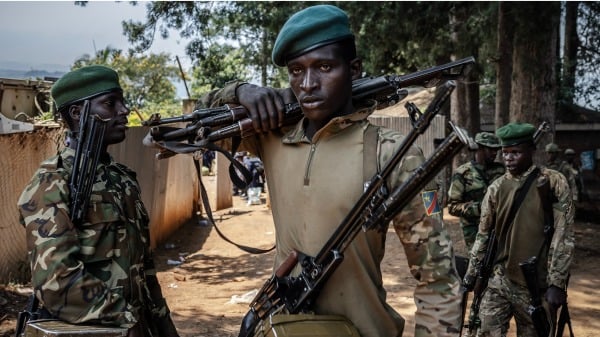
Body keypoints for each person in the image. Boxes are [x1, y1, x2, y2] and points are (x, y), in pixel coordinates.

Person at [196, 5, 462, 337]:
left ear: (353, 70)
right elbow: (190, 127)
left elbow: (438, 277)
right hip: (284, 328)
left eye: (324, 67)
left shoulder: (391, 152)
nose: (308, 84)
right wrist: (238, 91)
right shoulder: (271, 137)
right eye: (296, 70)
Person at [17, 65, 179, 337]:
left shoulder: (123, 180)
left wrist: (164, 327)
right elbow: (57, 283)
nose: (124, 110)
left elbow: (144, 272)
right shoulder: (52, 183)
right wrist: (127, 319)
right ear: (78, 113)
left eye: (122, 101)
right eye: (110, 103)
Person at [463, 122, 575, 337]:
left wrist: (557, 283)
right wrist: (471, 274)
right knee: (484, 331)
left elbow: (564, 233)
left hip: (535, 286)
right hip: (499, 279)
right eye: (505, 153)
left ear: (532, 150)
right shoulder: (496, 188)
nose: (508, 158)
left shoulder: (553, 181)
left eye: (516, 152)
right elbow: (483, 234)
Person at [447, 132, 505, 251]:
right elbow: (453, 207)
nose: (495, 153)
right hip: (474, 231)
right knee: (478, 264)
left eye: (496, 150)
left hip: (498, 227)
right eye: (491, 149)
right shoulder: (463, 173)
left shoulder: (501, 170)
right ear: (479, 149)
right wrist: (481, 208)